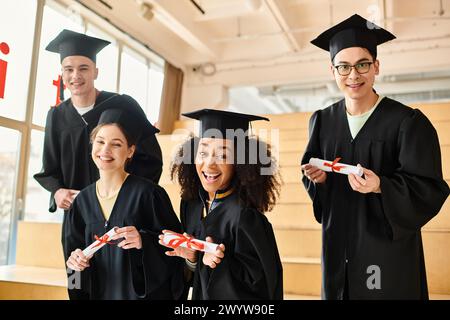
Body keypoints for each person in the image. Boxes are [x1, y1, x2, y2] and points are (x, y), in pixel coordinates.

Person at [301, 14, 450, 299]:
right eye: (343, 67)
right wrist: (317, 180)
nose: (353, 75)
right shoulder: (321, 121)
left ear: (376, 67)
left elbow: (429, 188)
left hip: (385, 249)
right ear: (332, 71)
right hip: (337, 246)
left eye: (363, 64)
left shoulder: (408, 122)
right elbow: (312, 176)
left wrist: (381, 185)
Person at [34, 29, 163, 214]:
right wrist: (57, 191)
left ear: (95, 72)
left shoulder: (122, 106)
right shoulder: (56, 116)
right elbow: (50, 168)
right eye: (69, 69)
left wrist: (129, 195)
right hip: (77, 213)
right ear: (62, 74)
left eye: (83, 68)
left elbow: (151, 160)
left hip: (121, 211)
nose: (75, 75)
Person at [159, 109, 283, 300]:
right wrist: (192, 259)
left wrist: (218, 264)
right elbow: (195, 281)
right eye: (203, 152)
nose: (209, 164)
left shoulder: (245, 217)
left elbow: (263, 287)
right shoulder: (191, 206)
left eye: (223, 156)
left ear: (241, 163)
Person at [64, 107, 184, 300]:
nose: (105, 150)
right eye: (100, 141)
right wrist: (75, 266)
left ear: (130, 151)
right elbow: (72, 269)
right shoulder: (81, 203)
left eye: (116, 144)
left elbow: (177, 254)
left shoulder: (149, 195)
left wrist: (144, 242)